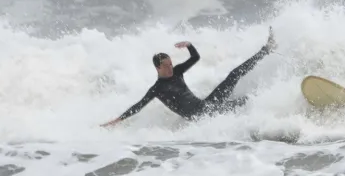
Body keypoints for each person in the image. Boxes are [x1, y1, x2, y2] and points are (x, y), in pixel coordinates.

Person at [101, 27, 276, 127]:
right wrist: (117, 120)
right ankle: (268, 114)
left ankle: (267, 49)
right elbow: (138, 106)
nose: (170, 68)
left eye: (171, 64)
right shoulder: (157, 89)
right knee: (243, 103)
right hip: (202, 117)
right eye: (166, 66)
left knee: (234, 76)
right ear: (157, 67)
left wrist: (189, 45)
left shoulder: (177, 71)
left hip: (206, 106)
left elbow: (195, 58)